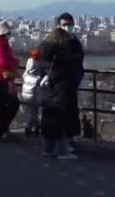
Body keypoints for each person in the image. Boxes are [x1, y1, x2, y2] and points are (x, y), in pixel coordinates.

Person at [39, 19, 84, 160]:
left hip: (48, 86)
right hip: (62, 86)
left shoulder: (45, 49)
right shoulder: (64, 53)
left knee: (49, 118)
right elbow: (74, 63)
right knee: (61, 118)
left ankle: (48, 150)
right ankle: (63, 151)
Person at [55, 13, 85, 153]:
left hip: (72, 79)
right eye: (65, 25)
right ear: (59, 26)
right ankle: (65, 138)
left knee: (72, 108)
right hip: (61, 81)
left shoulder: (75, 41)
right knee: (63, 109)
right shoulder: (57, 41)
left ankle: (72, 136)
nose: (68, 27)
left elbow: (79, 59)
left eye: (70, 24)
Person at [0, 20, 20, 142]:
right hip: (1, 78)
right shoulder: (0, 45)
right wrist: (15, 62)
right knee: (10, 104)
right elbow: (3, 62)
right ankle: (0, 129)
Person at [21, 49, 43, 137]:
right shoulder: (38, 76)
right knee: (34, 112)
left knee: (29, 111)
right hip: (34, 95)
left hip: (26, 94)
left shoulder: (26, 73)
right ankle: (28, 128)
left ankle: (36, 126)